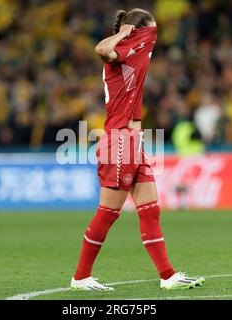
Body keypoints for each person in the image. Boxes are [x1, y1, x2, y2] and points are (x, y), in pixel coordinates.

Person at [71, 8, 205, 291]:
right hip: (119, 140)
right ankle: (81, 276)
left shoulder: (136, 53)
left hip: (134, 142)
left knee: (150, 209)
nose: (154, 38)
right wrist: (122, 34)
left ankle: (167, 275)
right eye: (151, 31)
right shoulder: (122, 51)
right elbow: (100, 49)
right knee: (108, 211)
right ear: (138, 31)